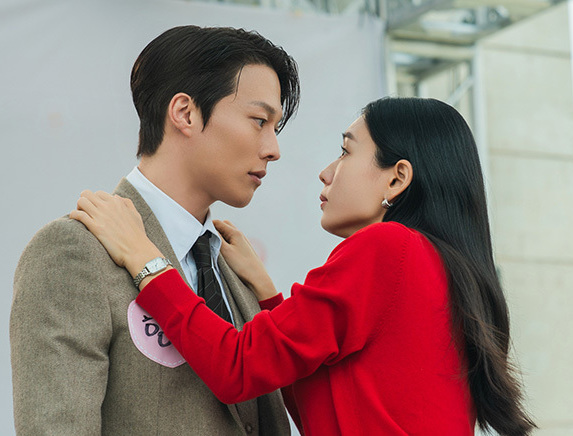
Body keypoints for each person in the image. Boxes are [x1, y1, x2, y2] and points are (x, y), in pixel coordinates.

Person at [72, 97, 536, 436]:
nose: (327, 171)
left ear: (397, 178)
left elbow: (237, 368)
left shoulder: (387, 247)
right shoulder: (436, 264)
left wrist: (144, 258)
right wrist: (268, 296)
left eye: (346, 151)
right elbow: (324, 402)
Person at [10, 25, 300, 435]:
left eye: (275, 128)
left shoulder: (236, 268)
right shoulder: (74, 252)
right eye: (259, 121)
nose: (273, 149)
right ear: (185, 113)